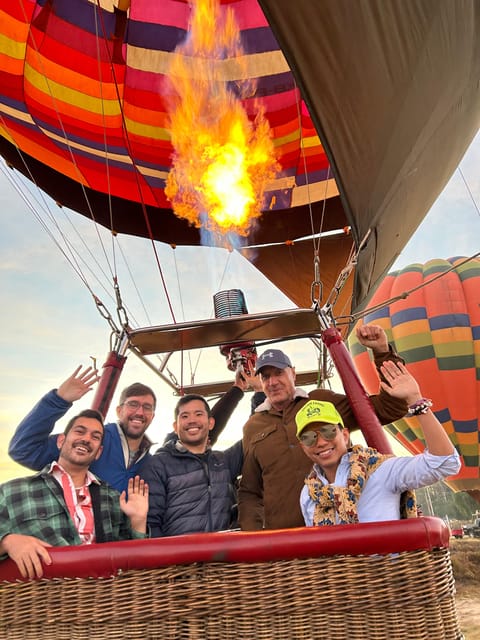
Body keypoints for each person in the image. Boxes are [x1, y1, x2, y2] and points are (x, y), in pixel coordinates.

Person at [238, 324, 411, 530]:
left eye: (279, 373)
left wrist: (382, 352)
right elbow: (250, 490)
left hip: (340, 529)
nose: (273, 382)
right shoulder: (253, 427)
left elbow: (388, 409)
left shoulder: (322, 402)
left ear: (293, 373)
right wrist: (253, 539)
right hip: (286, 540)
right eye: (266, 377)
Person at [8, 365, 249, 493]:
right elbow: (23, 449)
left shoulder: (154, 459)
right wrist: (59, 399)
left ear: (153, 416)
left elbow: (200, 432)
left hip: (130, 555)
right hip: (88, 548)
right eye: (132, 405)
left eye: (146, 407)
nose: (139, 412)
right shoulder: (93, 441)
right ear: (119, 410)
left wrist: (237, 391)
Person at [296, 361, 461, 525]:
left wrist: (416, 401)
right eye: (309, 437)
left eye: (328, 431)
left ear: (345, 435)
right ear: (303, 447)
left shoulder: (381, 470)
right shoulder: (309, 494)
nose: (322, 442)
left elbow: (445, 462)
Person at [0, 409, 148, 580]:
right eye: (80, 431)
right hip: (42, 599)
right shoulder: (13, 491)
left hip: (104, 600)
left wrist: (138, 521)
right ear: (61, 441)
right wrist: (7, 542)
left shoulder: (112, 498)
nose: (86, 439)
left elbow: (132, 564)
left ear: (98, 452)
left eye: (95, 437)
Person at [142, 393, 243, 537]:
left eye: (198, 414)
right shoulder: (158, 465)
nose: (192, 420)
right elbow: (151, 523)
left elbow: (256, 435)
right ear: (176, 427)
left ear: (211, 423)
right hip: (180, 556)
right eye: (185, 416)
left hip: (221, 556)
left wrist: (257, 391)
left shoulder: (222, 462)